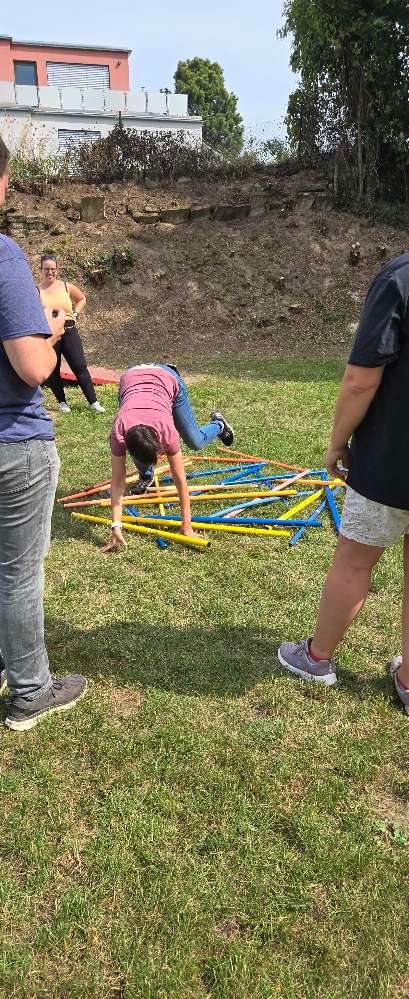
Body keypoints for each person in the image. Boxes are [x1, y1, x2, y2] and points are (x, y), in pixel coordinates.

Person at [278, 253, 409, 714]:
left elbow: (359, 380)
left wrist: (336, 444)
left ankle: (316, 658)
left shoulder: (401, 278)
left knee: (355, 560)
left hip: (393, 461)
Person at [0, 135, 87, 731]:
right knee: (18, 572)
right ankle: (31, 689)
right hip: (14, 441)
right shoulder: (4, 256)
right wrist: (51, 330)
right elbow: (32, 367)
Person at [103, 363, 234, 552]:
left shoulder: (167, 430)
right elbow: (117, 482)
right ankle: (146, 476)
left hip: (166, 377)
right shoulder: (119, 432)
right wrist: (116, 526)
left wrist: (186, 526)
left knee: (195, 441)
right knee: (141, 453)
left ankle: (219, 425)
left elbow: (180, 480)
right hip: (131, 380)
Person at [38, 254, 104, 414]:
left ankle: (93, 402)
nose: (50, 272)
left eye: (53, 269)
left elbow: (81, 299)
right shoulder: (36, 290)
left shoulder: (66, 287)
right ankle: (62, 403)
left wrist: (75, 314)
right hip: (49, 332)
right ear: (40, 269)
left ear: (57, 270)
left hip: (68, 330)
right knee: (53, 369)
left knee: (79, 366)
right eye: (47, 269)